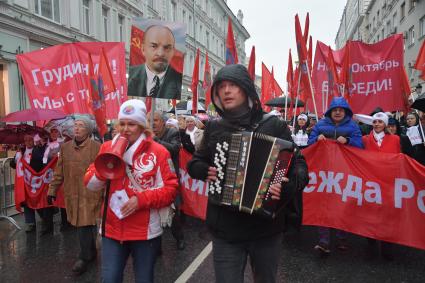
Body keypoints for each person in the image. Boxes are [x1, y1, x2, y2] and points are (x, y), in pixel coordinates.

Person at [187, 64, 309, 283]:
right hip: (225, 229)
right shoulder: (215, 128)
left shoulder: (274, 125)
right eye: (221, 86)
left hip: (265, 230)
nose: (226, 91)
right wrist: (202, 170)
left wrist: (284, 185)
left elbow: (298, 165)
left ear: (246, 89)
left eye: (232, 85)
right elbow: (196, 163)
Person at [84, 99, 178, 283]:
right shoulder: (106, 147)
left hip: (144, 232)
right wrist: (105, 169)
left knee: (144, 279)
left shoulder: (159, 152)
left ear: (142, 126)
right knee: (109, 279)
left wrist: (140, 200)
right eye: (123, 123)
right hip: (112, 229)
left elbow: (170, 189)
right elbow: (90, 184)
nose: (126, 129)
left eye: (132, 124)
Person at [308, 96, 363, 256]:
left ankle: (341, 237)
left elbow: (360, 145)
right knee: (323, 203)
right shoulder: (320, 125)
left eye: (341, 110)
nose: (338, 112)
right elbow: (310, 143)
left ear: (345, 111)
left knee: (341, 203)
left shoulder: (352, 126)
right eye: (335, 110)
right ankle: (323, 241)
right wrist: (316, 139)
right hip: (323, 171)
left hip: (344, 171)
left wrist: (347, 140)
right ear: (330, 111)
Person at [47, 116, 102, 275]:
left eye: (81, 126)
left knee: (88, 225)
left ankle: (86, 255)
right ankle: (87, 255)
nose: (76, 128)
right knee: (82, 225)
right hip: (73, 194)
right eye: (75, 125)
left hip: (92, 194)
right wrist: (52, 190)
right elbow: (59, 172)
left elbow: (103, 172)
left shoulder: (97, 147)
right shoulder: (65, 148)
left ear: (89, 130)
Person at [361, 112, 400, 260]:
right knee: (371, 211)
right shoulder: (365, 140)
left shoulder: (395, 139)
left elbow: (400, 158)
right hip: (370, 182)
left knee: (388, 214)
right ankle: (371, 236)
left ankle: (387, 246)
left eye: (380, 122)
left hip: (389, 182)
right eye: (375, 121)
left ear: (385, 124)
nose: (377, 124)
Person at [149, 111, 185, 250]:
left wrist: (156, 140)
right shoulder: (145, 135)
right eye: (149, 120)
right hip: (152, 180)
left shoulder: (172, 133)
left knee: (174, 212)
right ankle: (156, 246)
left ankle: (179, 237)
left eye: (156, 120)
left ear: (163, 122)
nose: (152, 123)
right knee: (154, 214)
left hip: (170, 179)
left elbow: (174, 149)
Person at [128, 25, 182, 99]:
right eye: (154, 46)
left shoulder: (178, 82)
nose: (160, 53)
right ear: (143, 49)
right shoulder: (130, 76)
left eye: (166, 48)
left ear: (173, 51)